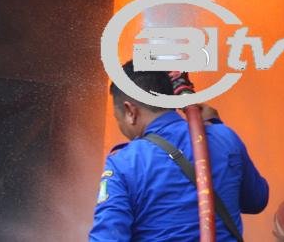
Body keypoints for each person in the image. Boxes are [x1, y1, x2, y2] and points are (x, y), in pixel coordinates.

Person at [90, 61, 269, 241]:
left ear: (130, 111)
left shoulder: (124, 163)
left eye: (118, 118)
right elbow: (256, 200)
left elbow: (107, 237)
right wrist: (217, 126)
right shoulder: (225, 138)